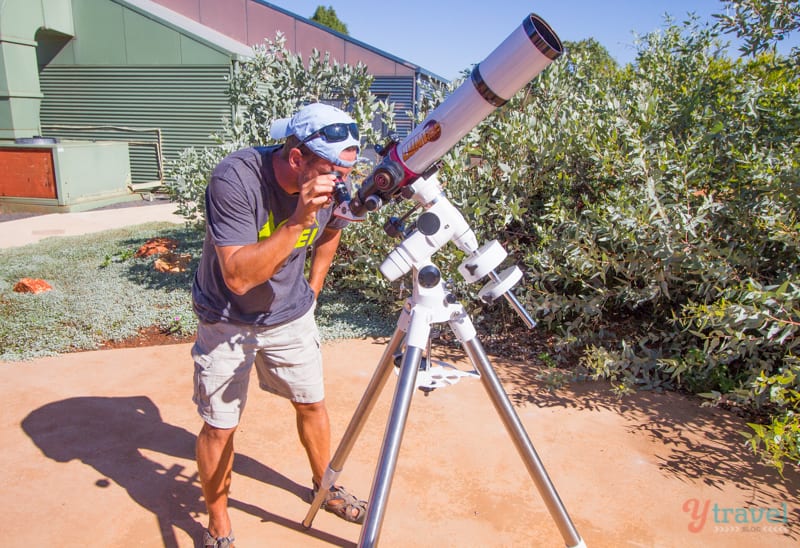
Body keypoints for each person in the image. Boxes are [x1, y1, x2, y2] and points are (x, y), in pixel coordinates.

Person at [191, 103, 368, 548]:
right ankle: (219, 525)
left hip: (290, 314)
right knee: (220, 424)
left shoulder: (332, 184)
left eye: (346, 170)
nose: (341, 181)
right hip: (227, 319)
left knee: (312, 403)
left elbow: (332, 231)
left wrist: (313, 288)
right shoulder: (234, 180)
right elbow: (238, 276)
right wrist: (298, 220)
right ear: (295, 160)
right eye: (332, 169)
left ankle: (324, 489)